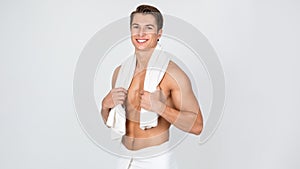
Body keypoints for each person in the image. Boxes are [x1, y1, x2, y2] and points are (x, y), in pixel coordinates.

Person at [101, 4, 203, 169]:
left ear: (159, 34)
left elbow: (197, 126)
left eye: (148, 28)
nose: (141, 34)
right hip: (124, 157)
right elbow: (114, 122)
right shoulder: (120, 73)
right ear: (130, 31)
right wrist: (105, 107)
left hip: (155, 160)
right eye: (136, 27)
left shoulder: (173, 75)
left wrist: (160, 108)